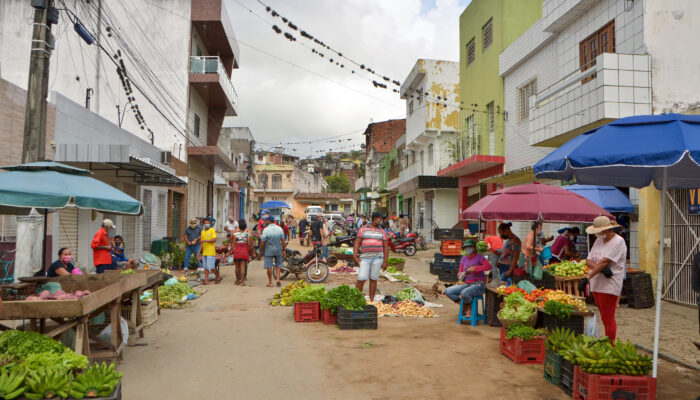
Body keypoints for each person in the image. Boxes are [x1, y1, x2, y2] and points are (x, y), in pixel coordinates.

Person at [578, 216, 626, 341]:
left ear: (606, 230)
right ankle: (606, 343)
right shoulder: (599, 241)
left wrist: (588, 277)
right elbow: (589, 261)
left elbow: (605, 262)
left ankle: (610, 344)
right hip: (597, 282)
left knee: (608, 317)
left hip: (610, 284)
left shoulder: (618, 242)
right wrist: (599, 268)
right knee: (604, 316)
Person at [445, 239, 492, 316]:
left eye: (469, 247)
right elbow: (460, 272)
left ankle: (469, 309)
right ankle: (465, 306)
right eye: (466, 247)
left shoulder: (479, 257)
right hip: (467, 284)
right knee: (448, 291)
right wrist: (460, 274)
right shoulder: (464, 259)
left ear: (474, 248)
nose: (467, 249)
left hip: (479, 284)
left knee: (464, 293)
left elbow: (489, 266)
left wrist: (475, 268)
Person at [353, 211, 389, 302]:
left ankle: (371, 300)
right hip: (365, 258)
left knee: (373, 279)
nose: (381, 221)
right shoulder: (363, 229)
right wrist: (355, 256)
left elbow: (385, 247)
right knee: (361, 278)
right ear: (375, 218)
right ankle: (355, 299)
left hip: (377, 258)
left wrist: (385, 261)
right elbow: (357, 243)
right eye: (380, 219)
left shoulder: (382, 231)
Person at [259, 216, 286, 287]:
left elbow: (263, 242)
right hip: (278, 249)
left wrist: (260, 251)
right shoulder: (280, 229)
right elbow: (283, 241)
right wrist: (284, 250)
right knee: (278, 265)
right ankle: (278, 279)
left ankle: (270, 282)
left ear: (268, 221)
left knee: (269, 266)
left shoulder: (266, 230)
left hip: (269, 250)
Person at [198, 218, 222, 284]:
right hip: (204, 252)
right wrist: (199, 252)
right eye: (205, 223)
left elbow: (214, 239)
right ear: (203, 224)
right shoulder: (202, 232)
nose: (207, 224)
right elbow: (201, 244)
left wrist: (205, 241)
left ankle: (217, 276)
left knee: (211, 267)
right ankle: (206, 280)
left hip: (210, 252)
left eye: (208, 223)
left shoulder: (212, 230)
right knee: (205, 267)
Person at [232, 219, 254, 286]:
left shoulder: (235, 234)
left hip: (237, 252)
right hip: (244, 252)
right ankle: (242, 281)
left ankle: (237, 280)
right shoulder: (248, 234)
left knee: (237, 267)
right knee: (243, 267)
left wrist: (229, 252)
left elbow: (233, 244)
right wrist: (252, 252)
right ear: (245, 226)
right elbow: (250, 244)